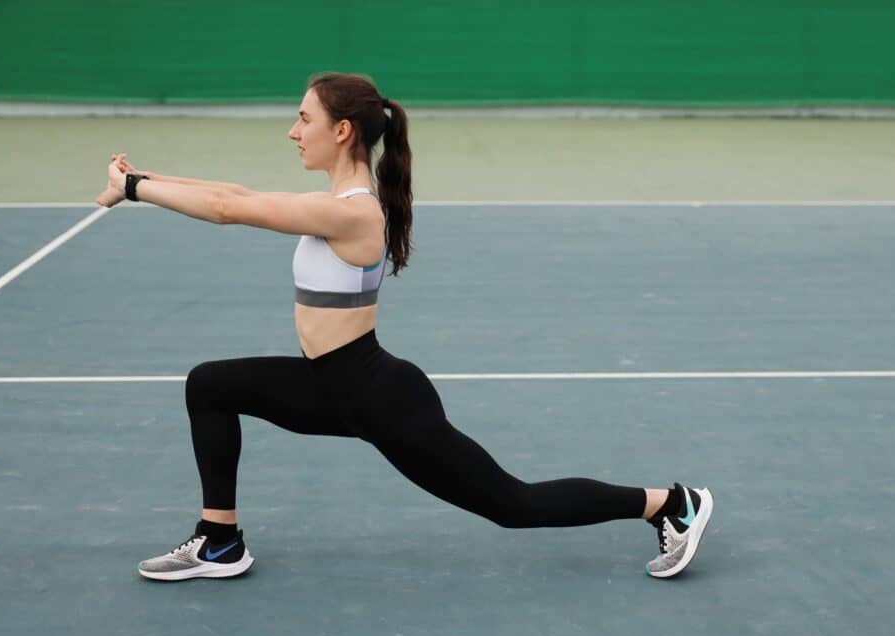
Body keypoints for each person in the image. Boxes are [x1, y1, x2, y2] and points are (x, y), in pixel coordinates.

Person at [96, 72, 713, 581]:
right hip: (330, 388)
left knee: (512, 505)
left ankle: (668, 503)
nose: (292, 131)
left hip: (378, 398)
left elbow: (229, 209)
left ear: (341, 131)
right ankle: (219, 540)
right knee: (209, 385)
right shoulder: (336, 203)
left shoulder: (354, 212)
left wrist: (133, 187)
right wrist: (144, 178)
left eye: (303, 119)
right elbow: (232, 191)